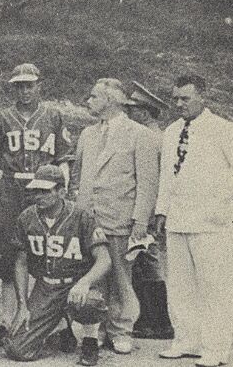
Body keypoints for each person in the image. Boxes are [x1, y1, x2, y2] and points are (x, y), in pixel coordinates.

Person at [71, 78, 160, 354]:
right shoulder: (87, 134)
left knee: (121, 275)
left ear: (110, 101)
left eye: (94, 97)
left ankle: (121, 329)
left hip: (120, 217)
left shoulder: (139, 134)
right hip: (89, 218)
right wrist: (79, 209)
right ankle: (93, 329)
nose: (88, 101)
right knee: (92, 273)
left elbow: (147, 183)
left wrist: (141, 221)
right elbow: (78, 174)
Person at [0, 63, 72, 343]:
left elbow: (63, 157)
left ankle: (53, 324)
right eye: (19, 85)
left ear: (39, 86)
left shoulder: (54, 116)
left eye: (29, 85)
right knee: (10, 253)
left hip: (44, 185)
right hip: (11, 184)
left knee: (48, 248)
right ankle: (9, 319)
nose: (24, 90)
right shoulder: (1, 118)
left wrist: (64, 189)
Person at [154, 75, 233, 367]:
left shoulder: (224, 130)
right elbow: (166, 176)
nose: (179, 104)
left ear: (203, 97)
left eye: (185, 99)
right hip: (178, 220)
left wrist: (221, 204)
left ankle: (216, 348)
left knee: (214, 287)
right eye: (176, 98)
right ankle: (187, 340)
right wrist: (161, 211)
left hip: (212, 224)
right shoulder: (172, 130)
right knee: (181, 286)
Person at [4, 165, 112, 366]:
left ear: (61, 192)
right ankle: (62, 325)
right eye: (36, 190)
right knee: (17, 349)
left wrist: (85, 283)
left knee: (90, 302)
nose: (39, 196)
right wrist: (23, 305)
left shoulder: (81, 216)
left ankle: (90, 340)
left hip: (75, 284)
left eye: (45, 191)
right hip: (46, 287)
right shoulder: (27, 217)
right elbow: (21, 262)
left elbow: (104, 259)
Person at [123, 81, 173, 340]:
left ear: (144, 112)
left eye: (133, 109)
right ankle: (150, 319)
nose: (129, 113)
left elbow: (150, 181)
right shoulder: (159, 136)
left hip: (148, 213)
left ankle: (158, 322)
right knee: (145, 263)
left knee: (147, 263)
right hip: (154, 211)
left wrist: (143, 218)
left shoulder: (148, 138)